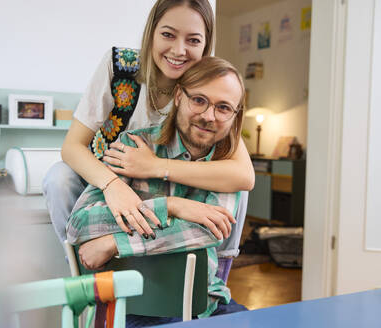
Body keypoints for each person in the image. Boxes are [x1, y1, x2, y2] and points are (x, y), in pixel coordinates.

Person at [42, 0, 254, 257]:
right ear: (151, 33)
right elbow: (72, 147)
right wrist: (112, 186)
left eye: (193, 40)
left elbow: (244, 176)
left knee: (234, 189)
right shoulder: (120, 67)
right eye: (168, 34)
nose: (179, 50)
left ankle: (215, 277)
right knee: (59, 178)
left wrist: (155, 169)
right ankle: (83, 268)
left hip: (165, 184)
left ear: (206, 45)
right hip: (108, 177)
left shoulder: (205, 91)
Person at [67, 56, 247, 321]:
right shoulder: (132, 145)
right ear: (178, 97)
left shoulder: (227, 166)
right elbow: (79, 225)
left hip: (206, 304)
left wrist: (114, 242)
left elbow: (208, 230)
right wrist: (172, 207)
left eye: (223, 108)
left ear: (235, 115)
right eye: (199, 100)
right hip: (136, 304)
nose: (209, 116)